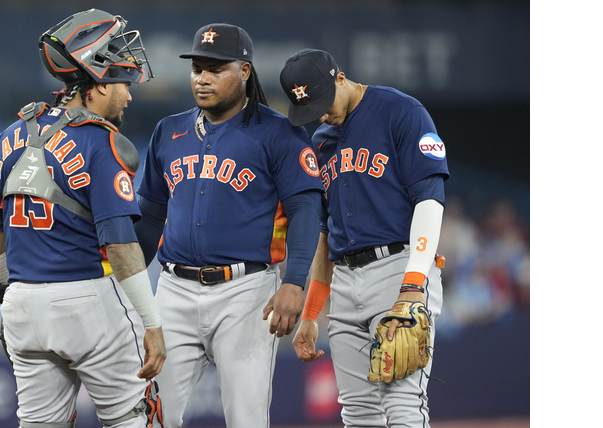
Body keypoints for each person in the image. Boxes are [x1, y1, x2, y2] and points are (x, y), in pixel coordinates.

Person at [0, 8, 166, 428]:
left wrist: (6, 288)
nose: (129, 95)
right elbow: (120, 244)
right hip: (85, 302)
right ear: (94, 87)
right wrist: (152, 323)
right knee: (135, 418)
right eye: (121, 84)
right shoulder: (102, 142)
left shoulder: (11, 134)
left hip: (21, 307)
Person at [133, 24, 325, 428]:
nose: (202, 78)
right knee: (151, 417)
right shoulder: (168, 131)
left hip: (247, 293)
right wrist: (122, 282)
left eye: (215, 68)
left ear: (245, 71)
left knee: (246, 418)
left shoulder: (280, 133)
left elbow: (306, 210)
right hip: (173, 290)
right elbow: (150, 217)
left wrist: (295, 281)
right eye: (197, 68)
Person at [279, 49, 449, 427]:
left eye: (324, 102)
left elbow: (430, 201)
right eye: (311, 109)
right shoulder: (322, 140)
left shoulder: (400, 111)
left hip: (398, 270)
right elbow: (327, 229)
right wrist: (310, 313)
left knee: (403, 405)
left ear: (341, 78)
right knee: (358, 415)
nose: (322, 114)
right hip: (344, 283)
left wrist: (413, 284)